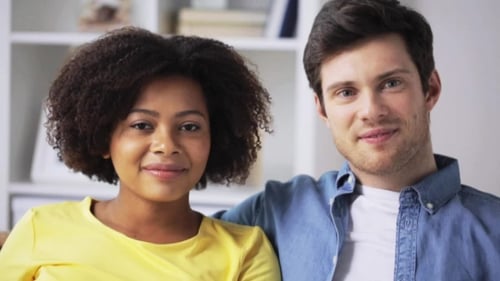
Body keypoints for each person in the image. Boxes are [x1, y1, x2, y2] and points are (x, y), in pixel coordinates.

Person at [215, 0, 500, 280]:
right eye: (346, 92)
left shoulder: (494, 231)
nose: (371, 111)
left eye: (391, 84)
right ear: (322, 109)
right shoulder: (273, 213)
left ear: (430, 89)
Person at [0, 27, 281, 281]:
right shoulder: (41, 227)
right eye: (142, 125)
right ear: (103, 138)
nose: (166, 145)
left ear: (216, 139)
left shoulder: (245, 252)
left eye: (189, 127)